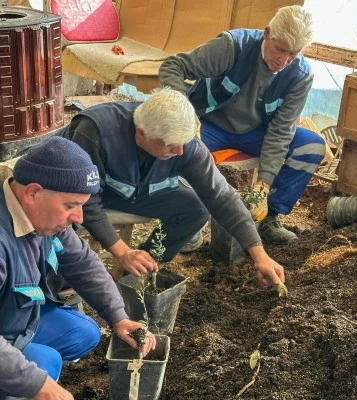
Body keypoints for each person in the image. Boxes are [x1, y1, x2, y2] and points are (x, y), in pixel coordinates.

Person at [56, 88, 285, 289]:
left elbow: (221, 196)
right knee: (62, 223)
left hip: (133, 190)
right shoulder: (95, 131)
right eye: (171, 146)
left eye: (183, 144)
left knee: (195, 207)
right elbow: (85, 200)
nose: (180, 152)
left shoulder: (185, 145)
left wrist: (259, 254)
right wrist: (122, 251)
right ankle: (62, 279)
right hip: (79, 192)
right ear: (142, 133)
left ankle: (144, 265)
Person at [0, 137, 155, 400]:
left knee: (83, 333)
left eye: (82, 205)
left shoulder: (44, 218)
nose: (79, 218)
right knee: (44, 363)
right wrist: (38, 384)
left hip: (16, 317)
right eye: (70, 206)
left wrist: (119, 317)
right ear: (33, 192)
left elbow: (83, 263)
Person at [159, 5, 327, 245]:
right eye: (280, 49)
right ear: (267, 33)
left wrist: (263, 184)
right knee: (173, 144)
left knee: (311, 147)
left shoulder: (300, 75)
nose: (284, 60)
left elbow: (281, 131)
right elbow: (173, 66)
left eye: (293, 54)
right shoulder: (232, 46)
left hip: (256, 133)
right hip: (209, 124)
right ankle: (187, 218)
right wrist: (184, 112)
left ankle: (268, 217)